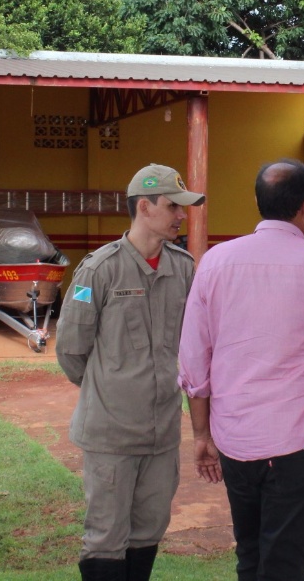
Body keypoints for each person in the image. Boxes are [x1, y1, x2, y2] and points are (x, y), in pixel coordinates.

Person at [177, 158, 304, 581]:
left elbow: (194, 361)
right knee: (285, 561)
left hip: (234, 437)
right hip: (297, 441)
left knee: (249, 552)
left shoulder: (215, 261)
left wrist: (201, 435)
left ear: (258, 201)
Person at [56, 163, 206, 581]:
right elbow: (71, 350)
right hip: (111, 433)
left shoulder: (183, 267)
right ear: (144, 207)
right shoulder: (99, 269)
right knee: (106, 536)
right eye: (173, 206)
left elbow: (195, 340)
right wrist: (110, 387)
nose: (181, 216)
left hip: (161, 433)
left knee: (148, 530)